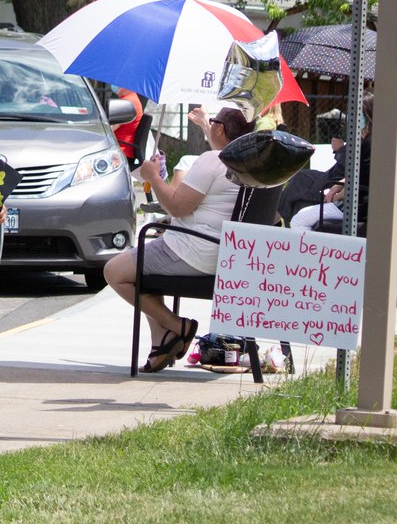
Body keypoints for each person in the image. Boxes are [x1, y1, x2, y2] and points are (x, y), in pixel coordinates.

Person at [103, 106, 254, 372]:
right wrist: (206, 125)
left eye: (213, 122)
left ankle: (178, 326)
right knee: (144, 265)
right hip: (228, 255)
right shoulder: (250, 161)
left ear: (220, 129)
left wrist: (152, 177)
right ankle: (161, 342)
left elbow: (176, 207)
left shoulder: (211, 160)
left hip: (193, 250)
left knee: (114, 271)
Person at [290, 94, 374, 232]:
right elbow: (359, 174)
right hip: (354, 200)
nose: (352, 117)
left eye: (357, 113)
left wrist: (335, 197)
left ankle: (314, 247)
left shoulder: (368, 145)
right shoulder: (367, 142)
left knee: (299, 220)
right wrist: (337, 186)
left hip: (356, 208)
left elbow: (356, 185)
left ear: (368, 115)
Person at [112, 87, 145, 167]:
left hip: (121, 149)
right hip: (120, 147)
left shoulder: (128, 102)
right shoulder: (131, 98)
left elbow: (111, 128)